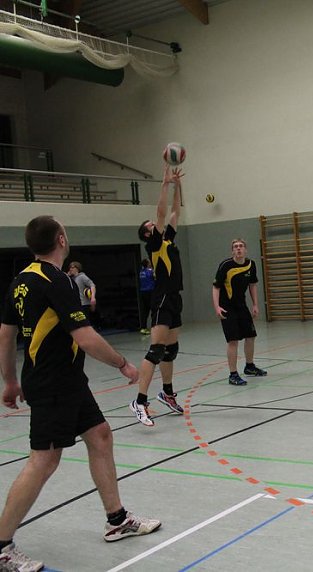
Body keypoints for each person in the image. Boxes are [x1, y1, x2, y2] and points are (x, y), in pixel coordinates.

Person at [0, 216, 160, 571]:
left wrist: (10, 380)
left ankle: (117, 520)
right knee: (44, 460)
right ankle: (2, 546)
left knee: (100, 435)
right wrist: (122, 364)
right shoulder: (56, 281)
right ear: (61, 239)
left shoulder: (20, 281)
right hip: (53, 383)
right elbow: (85, 338)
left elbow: (6, 334)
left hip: (68, 381)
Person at [131, 165, 185, 427]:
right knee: (156, 350)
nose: (156, 225)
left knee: (170, 351)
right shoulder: (153, 244)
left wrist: (178, 185)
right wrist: (164, 184)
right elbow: (162, 212)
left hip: (175, 298)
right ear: (147, 234)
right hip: (162, 297)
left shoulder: (168, 240)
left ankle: (167, 393)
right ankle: (139, 402)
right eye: (151, 226)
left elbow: (175, 211)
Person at [212, 238, 267, 386]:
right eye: (235, 246)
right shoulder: (226, 265)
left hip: (241, 306)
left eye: (241, 246)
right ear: (232, 251)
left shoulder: (251, 265)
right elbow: (216, 287)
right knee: (233, 341)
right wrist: (217, 307)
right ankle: (233, 374)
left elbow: (252, 285)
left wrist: (255, 304)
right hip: (227, 307)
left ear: (245, 250)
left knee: (251, 336)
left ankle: (249, 366)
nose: (238, 248)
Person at [139, 259, 155, 334]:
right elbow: (155, 277)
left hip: (143, 292)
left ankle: (143, 328)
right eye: (149, 262)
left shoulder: (141, 272)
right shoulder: (150, 271)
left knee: (144, 311)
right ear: (147, 264)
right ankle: (154, 327)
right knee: (153, 309)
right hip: (150, 292)